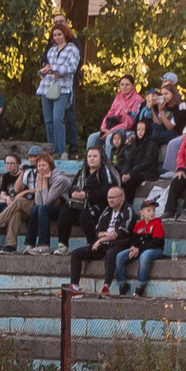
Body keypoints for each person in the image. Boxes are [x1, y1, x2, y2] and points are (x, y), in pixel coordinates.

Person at [69, 185, 132, 289]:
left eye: (113, 198)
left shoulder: (128, 210)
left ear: (122, 197)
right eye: (109, 198)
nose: (110, 200)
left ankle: (106, 286)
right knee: (76, 253)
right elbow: (98, 231)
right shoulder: (107, 210)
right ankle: (74, 286)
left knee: (110, 253)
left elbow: (119, 233)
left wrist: (101, 239)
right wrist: (104, 236)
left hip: (120, 244)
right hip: (103, 244)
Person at [39, 20, 82, 156]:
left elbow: (72, 68)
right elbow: (45, 68)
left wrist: (55, 69)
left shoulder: (72, 49)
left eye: (59, 34)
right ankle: (51, 149)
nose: (57, 37)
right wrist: (44, 70)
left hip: (62, 88)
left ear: (65, 34)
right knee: (48, 119)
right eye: (55, 35)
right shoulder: (51, 50)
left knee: (58, 118)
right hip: (46, 86)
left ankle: (61, 150)